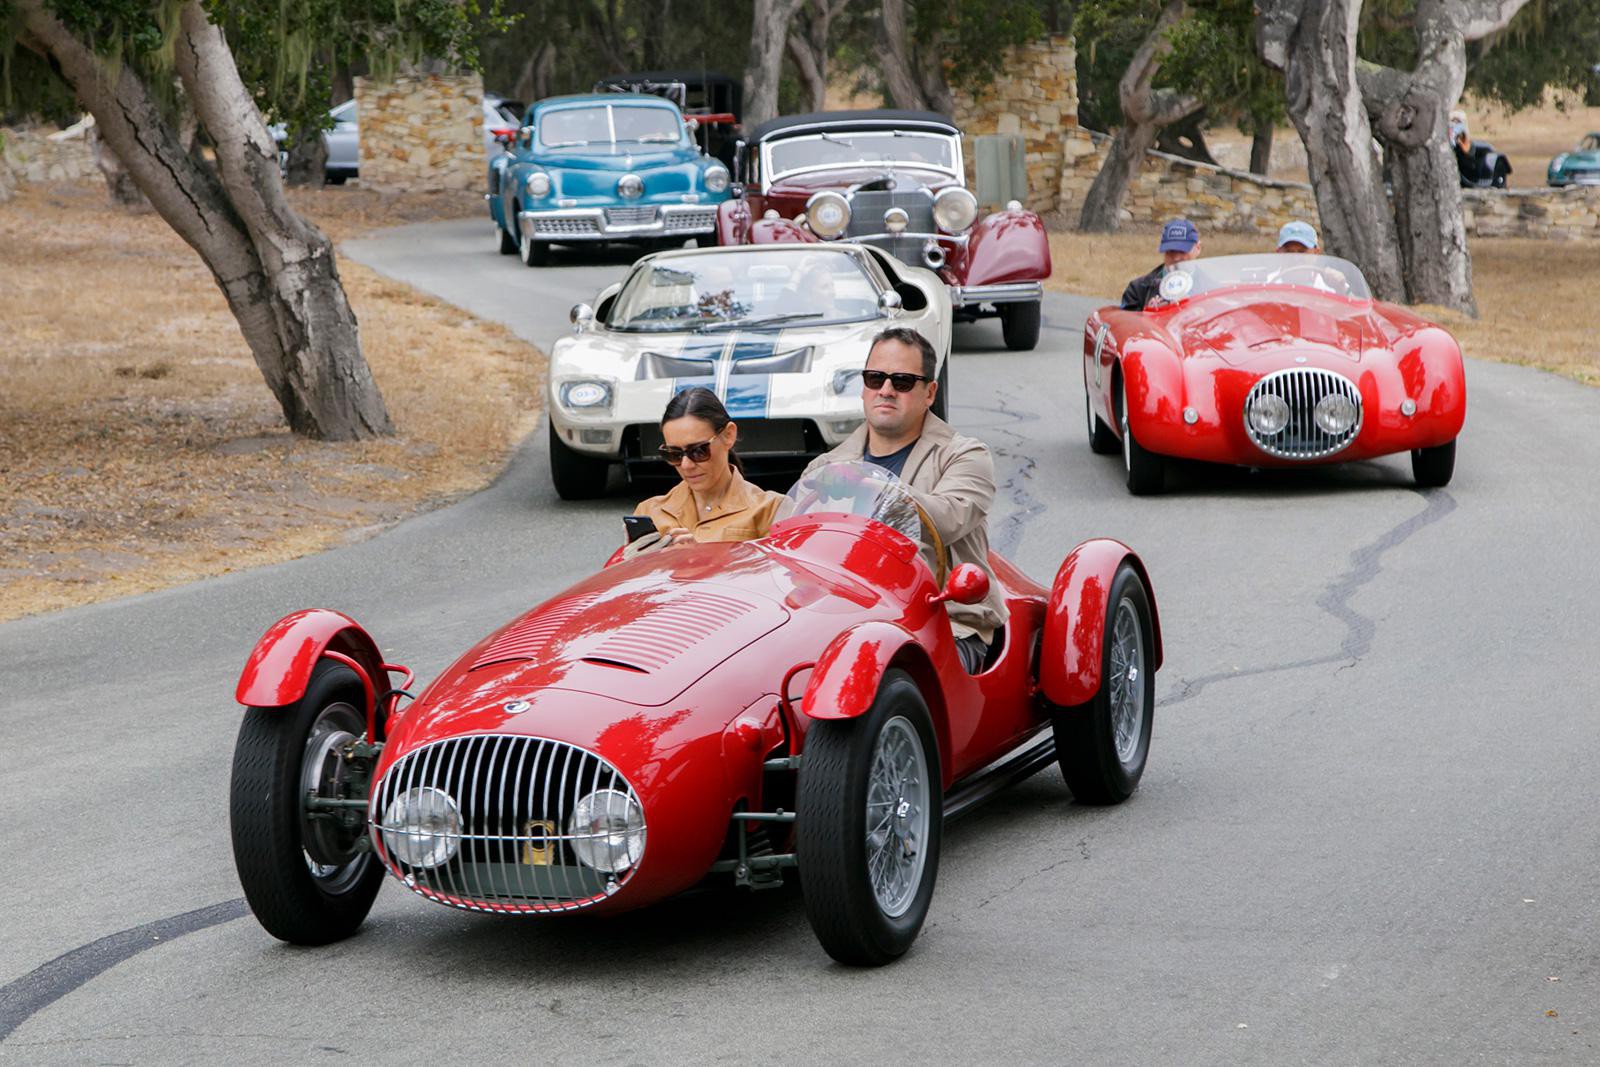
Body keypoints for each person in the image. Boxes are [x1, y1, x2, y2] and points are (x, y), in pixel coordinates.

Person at [801, 327, 1007, 674]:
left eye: (902, 381)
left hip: (944, 625)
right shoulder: (825, 467)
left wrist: (869, 485)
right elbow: (793, 541)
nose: (885, 390)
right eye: (875, 378)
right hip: (840, 627)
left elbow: (946, 519)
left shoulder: (965, 456)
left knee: (888, 679)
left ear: (929, 392)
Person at [625, 387, 785, 557]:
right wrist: (632, 564)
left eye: (698, 451)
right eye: (674, 454)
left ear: (729, 435)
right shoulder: (649, 511)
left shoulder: (772, 509)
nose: (686, 465)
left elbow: (780, 579)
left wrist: (702, 559)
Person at [1121, 218, 1202, 310]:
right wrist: (1149, 313)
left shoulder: (1211, 288)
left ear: (1198, 248)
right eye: (1170, 251)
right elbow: (1125, 321)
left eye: (1182, 251)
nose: (1176, 258)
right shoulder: (1138, 289)